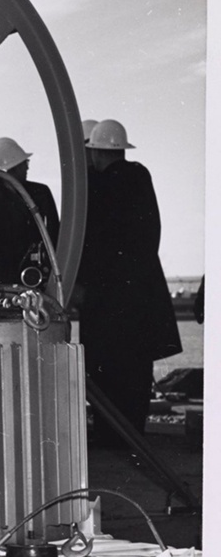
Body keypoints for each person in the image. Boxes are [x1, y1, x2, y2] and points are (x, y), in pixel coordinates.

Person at [75, 119, 181, 444]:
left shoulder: (101, 189)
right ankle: (132, 441)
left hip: (108, 306)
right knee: (134, 381)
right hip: (141, 303)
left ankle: (114, 441)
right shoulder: (138, 178)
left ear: (95, 152)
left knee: (108, 380)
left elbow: (94, 245)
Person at [0, 136, 60, 288]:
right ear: (12, 169)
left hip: (29, 280)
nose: (27, 168)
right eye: (24, 164)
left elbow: (55, 236)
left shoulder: (40, 193)